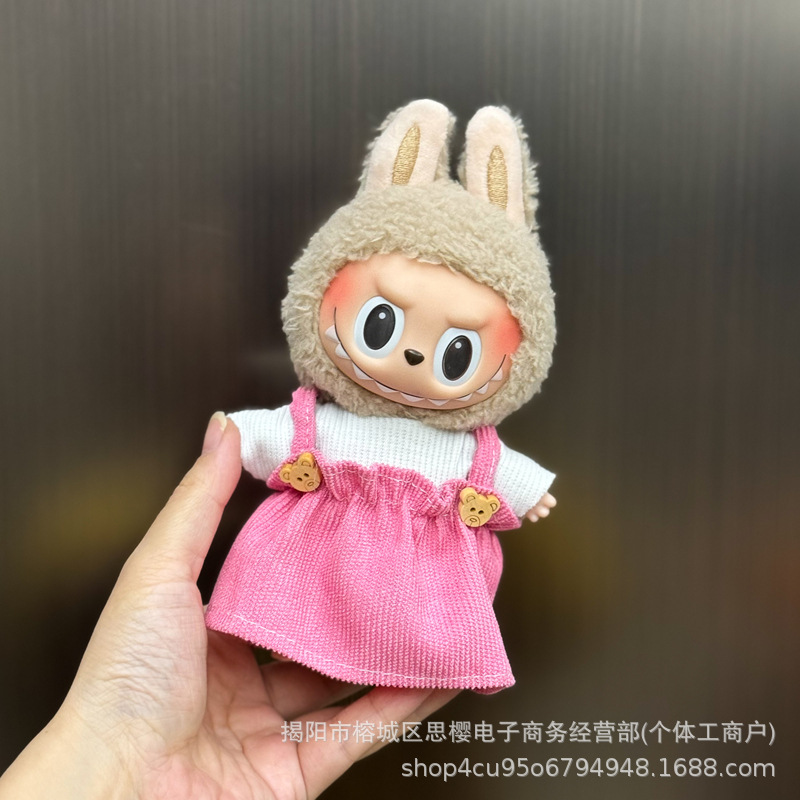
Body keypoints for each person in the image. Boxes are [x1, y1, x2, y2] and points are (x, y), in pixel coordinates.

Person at [0, 414, 457, 799]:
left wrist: (113, 753)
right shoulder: (315, 423)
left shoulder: (464, 449)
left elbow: (242, 433)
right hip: (301, 589)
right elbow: (253, 434)